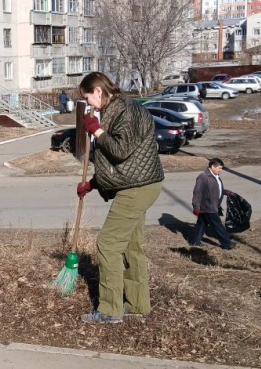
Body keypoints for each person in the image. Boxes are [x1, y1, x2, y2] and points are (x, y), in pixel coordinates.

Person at [75, 72, 165, 324]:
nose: (89, 104)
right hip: (139, 184)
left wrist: (97, 130)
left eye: (88, 98)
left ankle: (110, 310)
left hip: (137, 189)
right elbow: (126, 163)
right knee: (130, 246)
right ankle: (137, 303)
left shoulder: (126, 110)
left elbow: (120, 150)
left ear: (99, 91)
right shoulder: (119, 109)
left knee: (108, 244)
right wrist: (92, 184)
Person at [190, 158, 236, 250]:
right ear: (212, 167)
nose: (221, 170)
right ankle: (227, 244)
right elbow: (197, 193)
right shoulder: (203, 177)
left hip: (213, 205)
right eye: (219, 168)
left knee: (201, 224)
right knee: (218, 225)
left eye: (221, 168)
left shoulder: (216, 176)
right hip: (208, 207)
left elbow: (217, 189)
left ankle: (194, 242)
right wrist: (196, 207)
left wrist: (226, 192)